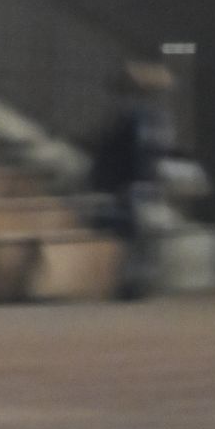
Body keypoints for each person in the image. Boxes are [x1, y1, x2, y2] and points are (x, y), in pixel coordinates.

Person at [87, 60, 176, 300]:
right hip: (138, 182)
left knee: (138, 236)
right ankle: (134, 283)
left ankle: (135, 283)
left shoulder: (140, 117)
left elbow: (132, 150)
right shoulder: (146, 117)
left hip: (136, 181)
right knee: (137, 236)